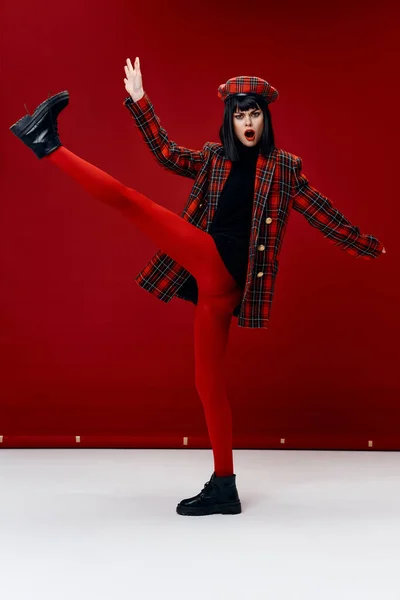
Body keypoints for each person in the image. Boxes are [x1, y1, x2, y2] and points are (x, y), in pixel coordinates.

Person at [9, 57, 386, 517]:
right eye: (240, 114)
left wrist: (369, 247)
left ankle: (47, 144)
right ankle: (225, 487)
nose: (248, 122)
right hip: (214, 289)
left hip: (224, 267)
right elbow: (166, 153)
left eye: (255, 114)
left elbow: (325, 215)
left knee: (134, 204)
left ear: (265, 119)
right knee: (207, 385)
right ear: (230, 120)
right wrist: (140, 101)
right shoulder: (213, 157)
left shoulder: (285, 168)